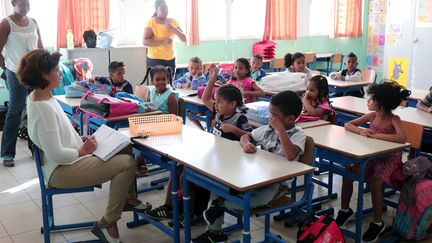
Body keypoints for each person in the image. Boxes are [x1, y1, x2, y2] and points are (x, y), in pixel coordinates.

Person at [20, 49, 150, 243]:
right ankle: (108, 223)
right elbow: (56, 154)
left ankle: (126, 199)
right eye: (56, 70)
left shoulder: (42, 96)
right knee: (127, 163)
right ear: (43, 75)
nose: (61, 73)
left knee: (124, 146)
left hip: (68, 161)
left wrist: (79, 139)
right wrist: (82, 151)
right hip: (62, 171)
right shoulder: (42, 107)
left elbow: (58, 135)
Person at [145, 64, 253, 226]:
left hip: (227, 165)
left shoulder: (240, 119)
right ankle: (169, 207)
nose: (215, 105)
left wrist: (234, 130)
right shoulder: (219, 113)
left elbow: (250, 137)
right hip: (214, 158)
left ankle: (191, 214)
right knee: (177, 169)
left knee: (186, 177)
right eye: (215, 102)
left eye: (219, 102)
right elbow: (205, 99)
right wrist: (212, 79)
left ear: (232, 105)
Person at [192, 90, 306, 242]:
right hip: (259, 176)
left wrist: (280, 129)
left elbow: (291, 154)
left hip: (278, 184)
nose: (269, 117)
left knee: (256, 198)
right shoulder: (267, 130)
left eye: (274, 115)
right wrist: (246, 145)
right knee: (219, 186)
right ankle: (215, 232)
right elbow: (247, 136)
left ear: (290, 119)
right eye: (269, 113)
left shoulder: (298, 134)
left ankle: (220, 205)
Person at [335, 81, 410, 242]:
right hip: (371, 156)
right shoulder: (372, 116)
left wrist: (376, 135)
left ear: (381, 104)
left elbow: (402, 138)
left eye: (371, 99)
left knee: (376, 183)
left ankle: (378, 222)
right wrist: (361, 131)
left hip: (389, 159)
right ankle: (345, 210)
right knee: (348, 170)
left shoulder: (393, 119)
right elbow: (349, 124)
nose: (367, 101)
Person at [0, 0, 43, 167]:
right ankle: (7, 153)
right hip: (15, 73)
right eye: (22, 3)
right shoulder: (6, 24)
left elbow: (39, 47)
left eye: (28, 3)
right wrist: (8, 67)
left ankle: (36, 149)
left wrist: (45, 67)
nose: (26, 6)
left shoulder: (34, 23)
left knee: (36, 109)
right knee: (16, 110)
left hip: (35, 72)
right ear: (13, 3)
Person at [143, 0, 186, 79]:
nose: (165, 10)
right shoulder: (151, 22)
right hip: (155, 58)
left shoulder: (173, 21)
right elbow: (145, 41)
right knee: (158, 84)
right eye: (162, 8)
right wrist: (163, 42)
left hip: (171, 58)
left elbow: (184, 39)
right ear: (156, 10)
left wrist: (173, 28)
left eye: (166, 8)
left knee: (170, 83)